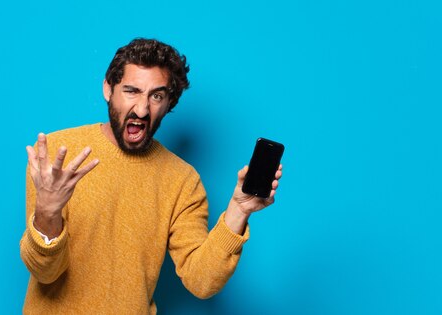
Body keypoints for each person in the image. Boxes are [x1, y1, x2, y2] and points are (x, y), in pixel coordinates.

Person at [19, 38, 283, 314]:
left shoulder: (182, 181)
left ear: (170, 102)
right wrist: (47, 213)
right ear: (108, 89)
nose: (142, 110)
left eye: (156, 96)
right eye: (131, 91)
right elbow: (45, 272)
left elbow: (201, 281)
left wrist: (238, 211)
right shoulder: (57, 155)